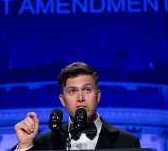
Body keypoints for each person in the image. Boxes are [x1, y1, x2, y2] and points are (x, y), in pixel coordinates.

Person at [11, 62, 141, 150]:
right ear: (62, 100)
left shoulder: (127, 142)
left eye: (87, 90)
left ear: (98, 96)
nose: (80, 98)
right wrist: (25, 146)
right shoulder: (42, 144)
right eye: (72, 91)